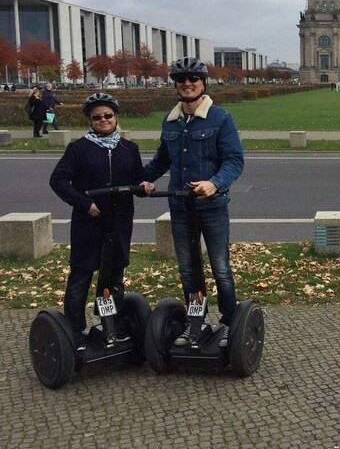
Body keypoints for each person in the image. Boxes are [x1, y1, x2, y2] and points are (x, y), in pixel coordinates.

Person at [144, 57, 244, 348]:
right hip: (180, 206)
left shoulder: (221, 118)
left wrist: (214, 183)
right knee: (188, 269)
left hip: (212, 207)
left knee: (220, 267)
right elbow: (162, 160)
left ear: (203, 83)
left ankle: (228, 322)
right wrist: (142, 179)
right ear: (175, 84)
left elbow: (234, 161)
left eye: (193, 79)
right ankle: (195, 321)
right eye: (181, 79)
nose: (187, 83)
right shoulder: (170, 120)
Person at [49, 93, 154, 348]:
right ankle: (74, 331)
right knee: (81, 276)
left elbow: (137, 180)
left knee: (113, 276)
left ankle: (111, 326)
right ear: (90, 121)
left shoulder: (129, 149)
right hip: (89, 222)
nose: (103, 120)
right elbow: (58, 180)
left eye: (108, 115)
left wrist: (144, 186)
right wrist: (85, 204)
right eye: (97, 117)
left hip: (118, 222)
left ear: (116, 117)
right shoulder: (78, 148)